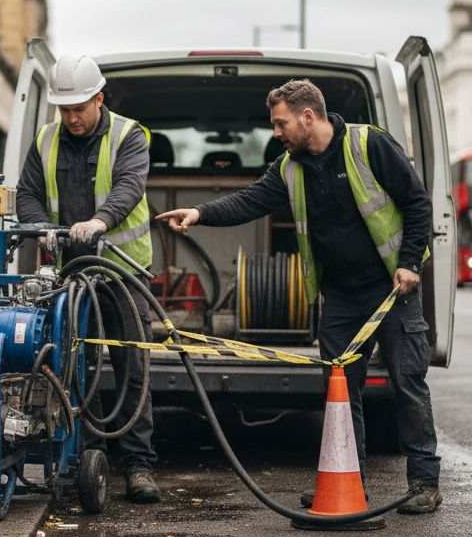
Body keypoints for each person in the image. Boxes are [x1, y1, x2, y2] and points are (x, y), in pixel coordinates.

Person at [157, 79, 442, 514]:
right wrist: (199, 213)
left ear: (308, 116)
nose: (276, 133)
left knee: (408, 384)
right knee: (342, 392)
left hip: (391, 291)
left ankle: (424, 482)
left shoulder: (369, 146)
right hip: (342, 298)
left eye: (280, 123)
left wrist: (407, 263)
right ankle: (347, 481)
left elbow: (418, 202)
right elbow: (251, 201)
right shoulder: (289, 168)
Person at [15, 53, 161, 503]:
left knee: (131, 370)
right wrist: (42, 228)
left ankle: (137, 465)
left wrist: (100, 221)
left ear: (99, 98)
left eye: (79, 108)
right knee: (78, 367)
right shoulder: (46, 139)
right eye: (64, 109)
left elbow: (129, 187)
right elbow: (29, 194)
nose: (71, 118)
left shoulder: (129, 135)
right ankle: (88, 457)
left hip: (123, 273)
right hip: (71, 277)